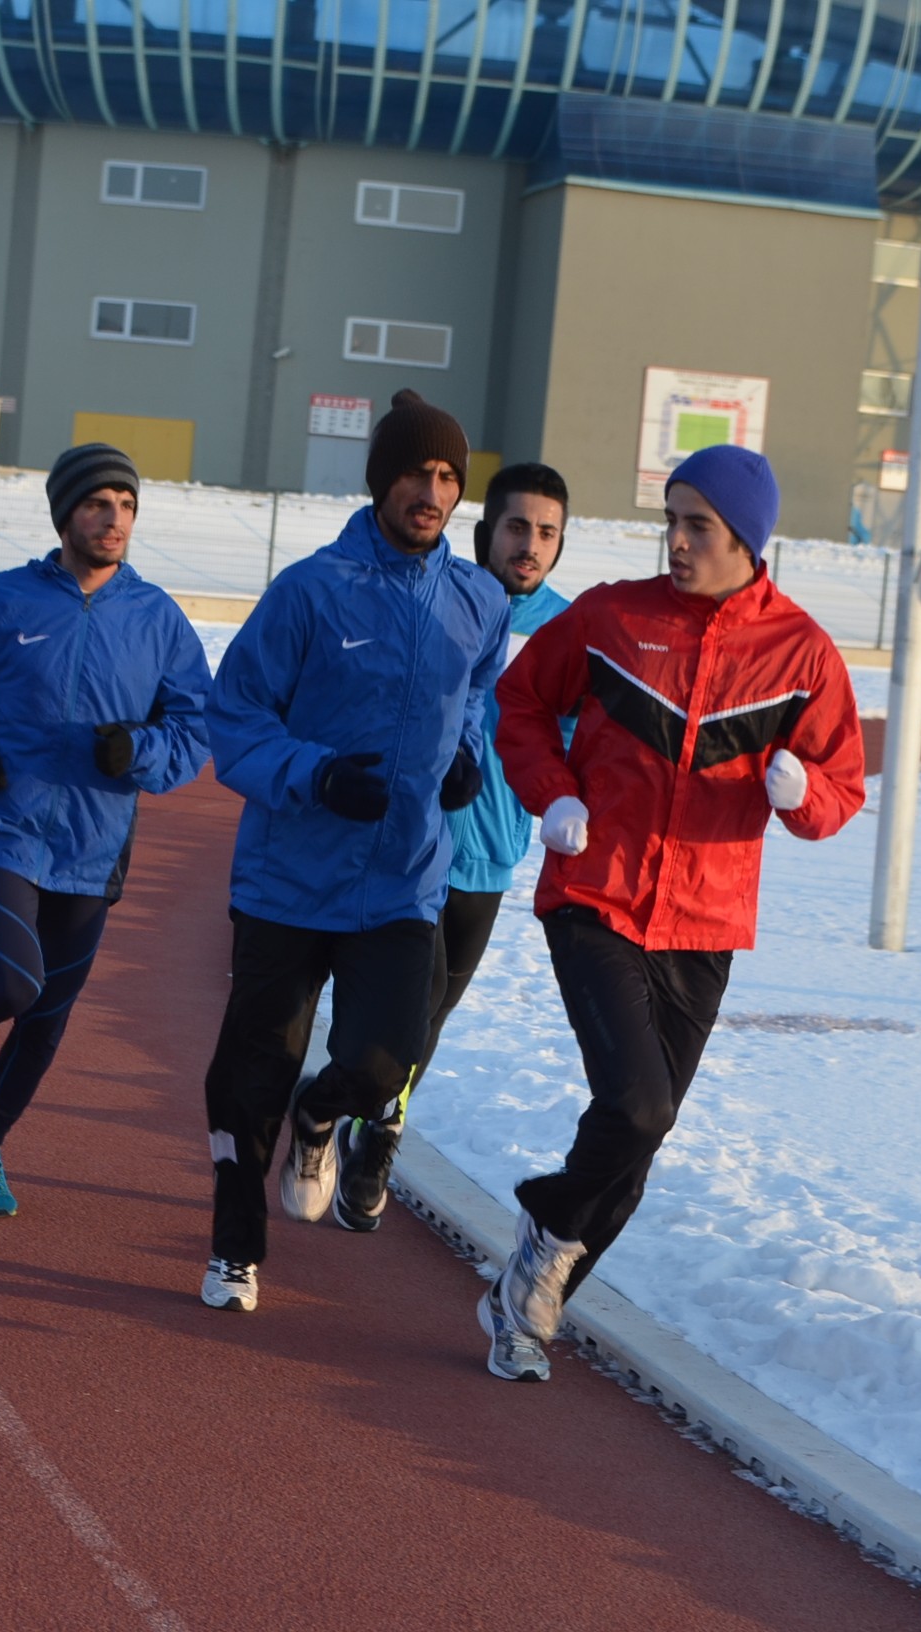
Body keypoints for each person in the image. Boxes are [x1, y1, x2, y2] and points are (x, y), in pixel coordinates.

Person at [482, 444, 864, 1381]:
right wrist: (553, 794)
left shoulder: (803, 654)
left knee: (637, 1147)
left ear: (745, 539)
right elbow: (521, 704)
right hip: (594, 896)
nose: (678, 542)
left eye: (698, 526)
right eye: (672, 521)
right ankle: (542, 1234)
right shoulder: (612, 615)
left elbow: (842, 792)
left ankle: (528, 1302)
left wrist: (799, 789)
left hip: (704, 921)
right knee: (639, 1106)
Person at [197, 390, 510, 1311]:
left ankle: (321, 1113)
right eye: (417, 472)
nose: (433, 490)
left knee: (387, 1059)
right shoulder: (310, 590)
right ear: (382, 480)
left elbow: (482, 692)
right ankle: (233, 1246)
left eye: (450, 476)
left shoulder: (478, 600)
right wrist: (318, 776)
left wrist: (469, 756)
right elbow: (235, 717)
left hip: (402, 882)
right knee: (252, 1068)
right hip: (290, 880)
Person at [0, 443, 211, 1218]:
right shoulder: (2, 602)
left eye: (128, 505)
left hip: (93, 846)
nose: (115, 520)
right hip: (4, 825)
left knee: (48, 1017)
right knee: (12, 983)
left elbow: (197, 727)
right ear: (65, 513)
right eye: (99, 503)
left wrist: (137, 751)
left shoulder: (158, 619)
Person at [331, 461, 573, 1233]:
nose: (529, 545)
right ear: (484, 530)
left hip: (492, 856)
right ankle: (374, 1131)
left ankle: (371, 1119)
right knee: (412, 998)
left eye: (546, 533)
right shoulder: (447, 600)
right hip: (411, 846)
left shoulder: (573, 632)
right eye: (516, 527)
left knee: (431, 1016)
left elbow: (580, 742)